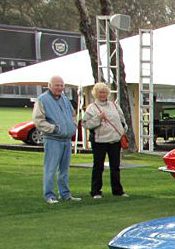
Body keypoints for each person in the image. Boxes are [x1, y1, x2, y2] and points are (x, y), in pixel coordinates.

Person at [33, 75, 80, 203]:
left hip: (66, 139)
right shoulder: (42, 100)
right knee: (51, 168)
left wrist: (73, 126)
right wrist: (54, 129)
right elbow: (38, 120)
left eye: (61, 85)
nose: (59, 88)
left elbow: (73, 115)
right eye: (57, 85)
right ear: (50, 86)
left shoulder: (65, 99)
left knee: (64, 169)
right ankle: (49, 195)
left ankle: (65, 194)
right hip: (53, 139)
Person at [81, 82, 128, 198]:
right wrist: (98, 118)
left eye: (104, 92)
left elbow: (122, 119)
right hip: (99, 141)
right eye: (100, 92)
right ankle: (96, 191)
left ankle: (117, 190)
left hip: (114, 140)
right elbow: (85, 124)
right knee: (98, 166)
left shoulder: (114, 105)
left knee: (115, 166)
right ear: (95, 94)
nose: (103, 95)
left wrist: (123, 130)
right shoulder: (92, 108)